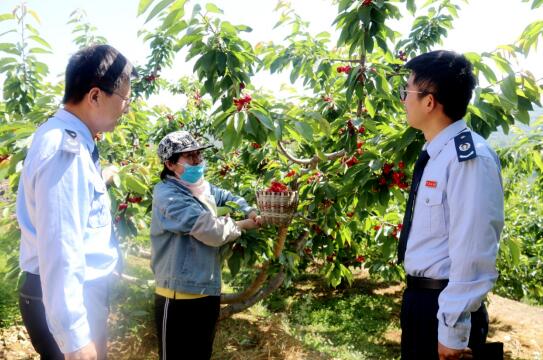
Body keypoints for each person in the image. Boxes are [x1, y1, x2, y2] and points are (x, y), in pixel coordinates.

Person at [16, 44, 137, 360]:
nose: (127, 107)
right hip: (67, 297)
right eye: (124, 98)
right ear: (95, 96)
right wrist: (75, 339)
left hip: (74, 293)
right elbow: (61, 250)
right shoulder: (64, 151)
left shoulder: (75, 143)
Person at [396, 50, 504, 360]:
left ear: (429, 101)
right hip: (421, 302)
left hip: (443, 304)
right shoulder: (436, 154)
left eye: (408, 91)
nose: (404, 100)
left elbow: (473, 249)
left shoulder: (468, 158)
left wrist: (452, 332)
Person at [150, 130, 261, 360]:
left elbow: (226, 195)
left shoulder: (203, 188)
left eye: (198, 155)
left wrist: (248, 208)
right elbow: (210, 230)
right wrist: (243, 224)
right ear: (170, 164)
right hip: (177, 296)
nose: (197, 162)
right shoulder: (167, 195)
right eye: (190, 157)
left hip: (207, 292)